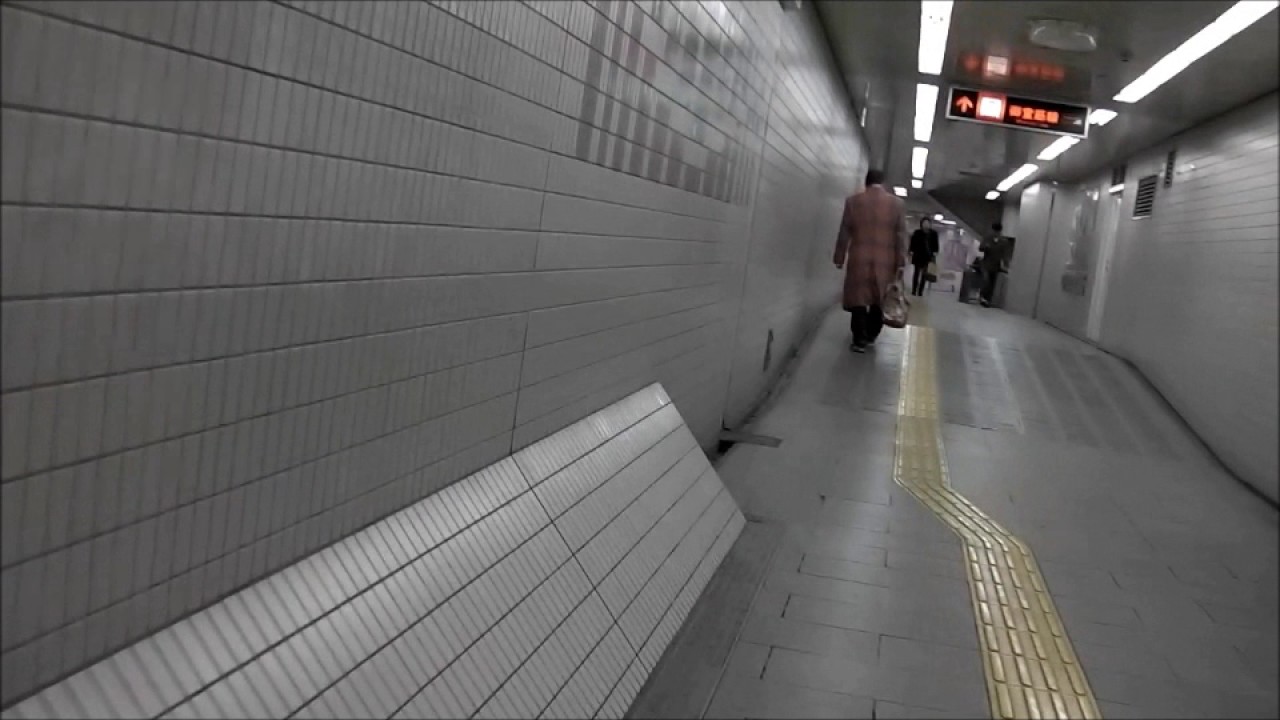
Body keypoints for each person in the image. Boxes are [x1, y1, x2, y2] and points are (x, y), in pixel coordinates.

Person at [834, 169, 908, 353]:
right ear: (883, 183)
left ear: (866, 182)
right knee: (879, 298)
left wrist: (839, 257)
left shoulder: (853, 202)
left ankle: (859, 339)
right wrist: (901, 261)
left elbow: (844, 232)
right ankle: (871, 335)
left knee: (859, 298)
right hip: (886, 259)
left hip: (859, 256)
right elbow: (901, 236)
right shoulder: (897, 204)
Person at [979, 222, 1009, 307]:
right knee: (986, 280)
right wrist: (986, 247)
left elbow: (1004, 254)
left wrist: (1005, 265)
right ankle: (982, 296)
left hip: (995, 265)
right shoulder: (987, 238)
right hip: (986, 263)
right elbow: (980, 248)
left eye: (997, 231)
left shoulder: (1003, 241)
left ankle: (987, 299)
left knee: (992, 283)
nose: (995, 233)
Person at [908, 217, 940, 297]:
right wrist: (911, 251)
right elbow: (913, 242)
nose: (926, 225)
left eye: (927, 223)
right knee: (916, 273)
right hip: (918, 255)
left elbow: (936, 244)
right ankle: (914, 290)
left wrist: (935, 251)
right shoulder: (917, 232)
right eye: (924, 223)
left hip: (928, 257)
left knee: (924, 275)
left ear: (930, 224)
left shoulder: (933, 234)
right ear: (921, 224)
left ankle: (920, 291)